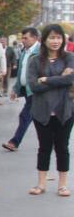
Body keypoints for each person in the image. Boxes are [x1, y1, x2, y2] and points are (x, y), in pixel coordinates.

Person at [25, 24, 74, 197]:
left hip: (65, 110)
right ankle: (41, 184)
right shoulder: (35, 60)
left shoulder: (69, 58)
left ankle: (62, 185)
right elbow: (33, 86)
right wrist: (60, 79)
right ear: (44, 40)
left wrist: (46, 79)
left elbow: (71, 79)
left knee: (62, 147)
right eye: (52, 37)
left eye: (58, 37)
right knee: (44, 147)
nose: (55, 41)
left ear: (63, 40)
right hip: (42, 111)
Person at [3, 27, 41, 152]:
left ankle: (14, 142)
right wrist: (15, 88)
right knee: (37, 118)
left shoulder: (41, 51)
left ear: (35, 38)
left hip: (36, 90)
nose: (23, 40)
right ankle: (50, 141)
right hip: (26, 89)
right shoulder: (25, 51)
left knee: (25, 115)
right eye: (22, 38)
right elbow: (21, 71)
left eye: (26, 38)